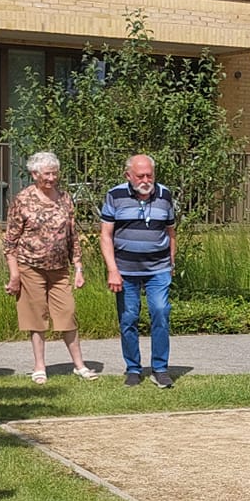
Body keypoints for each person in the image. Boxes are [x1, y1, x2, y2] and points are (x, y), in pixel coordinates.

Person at [4, 149, 100, 384]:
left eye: (54, 174)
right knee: (36, 316)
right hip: (30, 266)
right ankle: (39, 367)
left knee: (67, 312)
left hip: (59, 269)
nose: (51, 178)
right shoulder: (23, 199)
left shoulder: (65, 198)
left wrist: (78, 267)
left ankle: (79, 366)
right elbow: (10, 242)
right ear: (35, 174)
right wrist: (14, 274)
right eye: (47, 174)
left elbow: (72, 235)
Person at [99, 153, 178, 388]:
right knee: (129, 318)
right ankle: (133, 368)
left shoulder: (165, 195)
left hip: (158, 268)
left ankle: (160, 369)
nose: (145, 179)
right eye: (140, 175)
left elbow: (171, 232)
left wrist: (171, 262)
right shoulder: (115, 195)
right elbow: (105, 235)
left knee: (161, 312)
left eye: (149, 175)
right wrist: (112, 270)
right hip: (125, 269)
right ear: (128, 175)